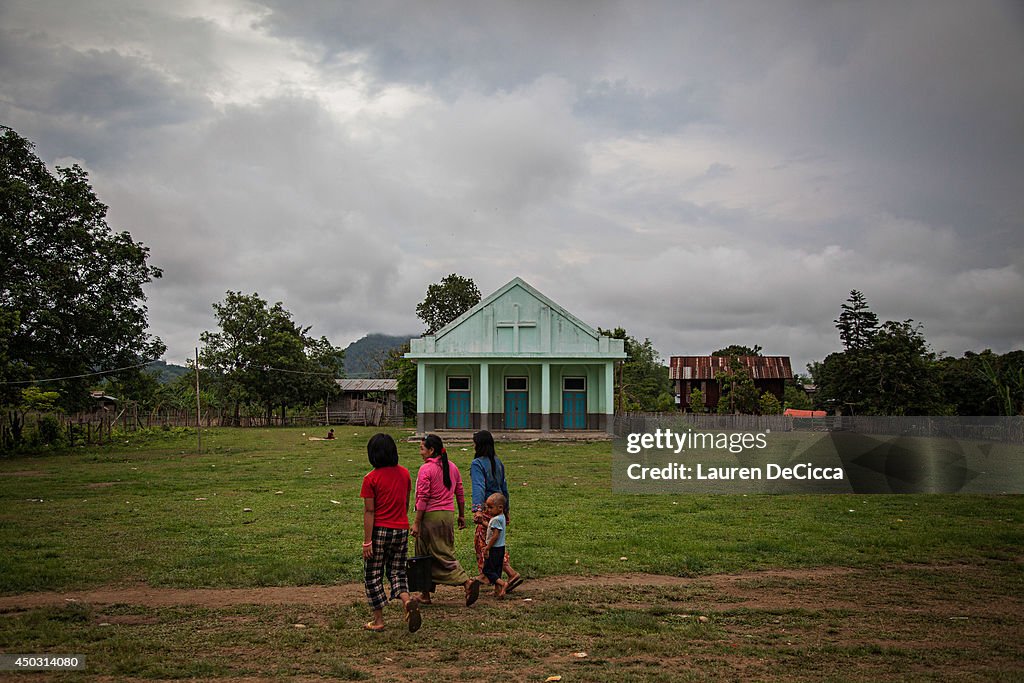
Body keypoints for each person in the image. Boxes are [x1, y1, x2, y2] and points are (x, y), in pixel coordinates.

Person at [360, 433, 421, 632]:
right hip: (401, 530)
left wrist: (367, 541)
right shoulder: (404, 474)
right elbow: (405, 503)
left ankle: (378, 621)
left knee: (373, 574)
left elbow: (370, 511)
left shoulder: (370, 479)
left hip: (380, 531)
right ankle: (406, 602)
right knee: (397, 572)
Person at [411, 433, 480, 607]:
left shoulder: (426, 469)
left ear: (431, 450)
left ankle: (466, 582)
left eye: (422, 448)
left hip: (430, 517)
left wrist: (416, 522)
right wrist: (462, 515)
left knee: (431, 555)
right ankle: (425, 593)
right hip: (447, 516)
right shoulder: (452, 467)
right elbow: (460, 493)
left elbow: (423, 498)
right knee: (435, 552)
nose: (420, 452)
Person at [470, 430, 524, 592]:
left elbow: (479, 487)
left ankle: (499, 574)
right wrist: (505, 510)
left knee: (484, 543)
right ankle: (500, 579)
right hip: (499, 508)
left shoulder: (477, 464)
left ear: (479, 445)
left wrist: (478, 509)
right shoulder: (498, 462)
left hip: (488, 509)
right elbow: (504, 488)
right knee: (496, 542)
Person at [475, 493, 509, 599]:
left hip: (494, 548)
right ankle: (498, 591)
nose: (488, 510)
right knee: (497, 570)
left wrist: (487, 547)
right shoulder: (501, 517)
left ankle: (503, 584)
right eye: (487, 507)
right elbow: (491, 527)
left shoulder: (495, 520)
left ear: (500, 507)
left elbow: (495, 535)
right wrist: (482, 522)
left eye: (490, 507)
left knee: (488, 570)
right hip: (501, 548)